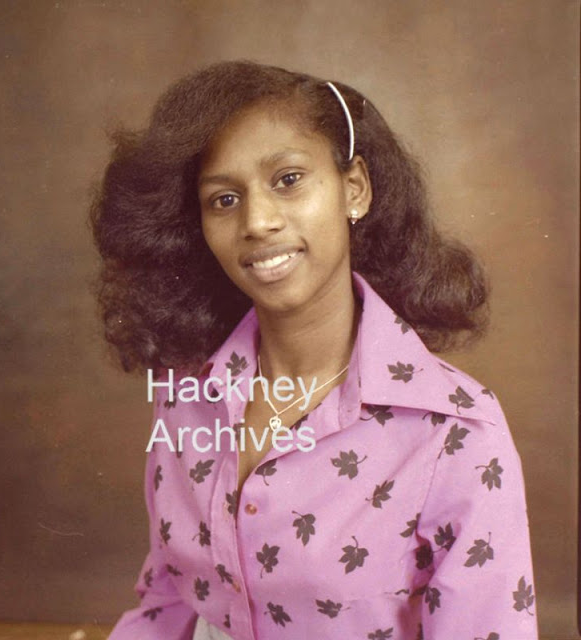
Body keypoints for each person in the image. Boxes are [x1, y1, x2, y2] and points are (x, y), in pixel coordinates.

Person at [90, 61, 538, 639]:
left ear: (354, 189)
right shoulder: (184, 394)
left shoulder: (455, 432)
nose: (257, 221)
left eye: (288, 180)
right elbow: (168, 600)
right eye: (223, 199)